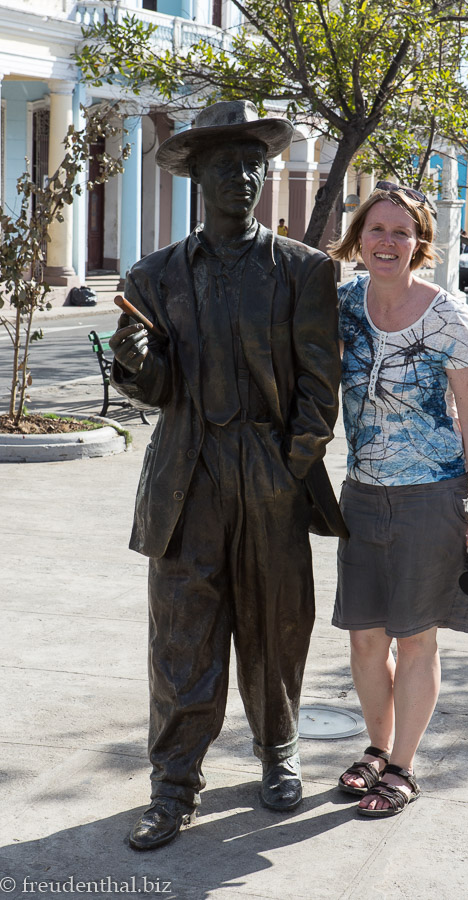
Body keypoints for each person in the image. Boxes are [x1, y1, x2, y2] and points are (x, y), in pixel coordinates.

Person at [108, 100, 347, 851]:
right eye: (225, 167)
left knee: (277, 625)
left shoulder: (304, 271)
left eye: (253, 165)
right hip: (187, 476)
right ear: (197, 177)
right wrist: (134, 367)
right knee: (182, 635)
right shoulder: (154, 275)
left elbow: (320, 386)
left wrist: (293, 464)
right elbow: (154, 389)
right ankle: (173, 785)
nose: (242, 178)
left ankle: (279, 751)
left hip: (269, 472)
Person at [328, 181, 468, 818]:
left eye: (403, 232)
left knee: (417, 639)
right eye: (377, 229)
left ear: (419, 244)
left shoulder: (448, 315)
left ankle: (402, 766)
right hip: (362, 494)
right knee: (365, 640)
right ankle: (377, 747)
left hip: (432, 495)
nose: (388, 242)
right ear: (359, 238)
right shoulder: (343, 304)